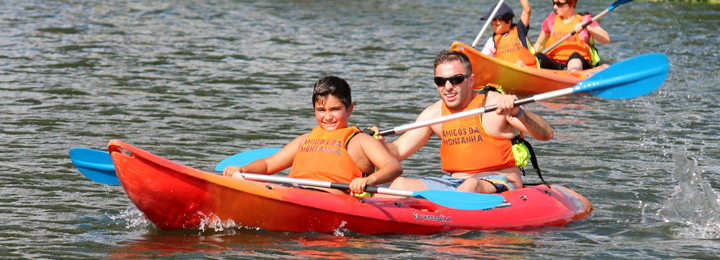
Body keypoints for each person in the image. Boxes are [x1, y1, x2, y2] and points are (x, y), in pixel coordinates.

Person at [374, 50, 554, 194]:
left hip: (499, 183)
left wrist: (519, 112)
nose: (448, 87)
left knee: (470, 185)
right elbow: (397, 151)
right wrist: (375, 144)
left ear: (471, 80)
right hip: (453, 184)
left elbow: (546, 134)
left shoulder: (495, 104)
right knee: (400, 183)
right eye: (440, 81)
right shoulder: (434, 114)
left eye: (456, 79)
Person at [223, 76, 402, 195]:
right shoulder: (305, 139)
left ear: (349, 109)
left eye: (335, 109)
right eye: (321, 110)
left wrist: (370, 180)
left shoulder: (361, 140)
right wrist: (242, 170)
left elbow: (393, 167)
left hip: (329, 199)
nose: (328, 116)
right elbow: (268, 164)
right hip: (293, 191)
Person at [533, 0, 610, 71]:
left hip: (579, 65)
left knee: (575, 57)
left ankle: (571, 75)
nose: (555, 7)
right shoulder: (551, 20)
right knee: (539, 56)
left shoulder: (585, 20)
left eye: (559, 4)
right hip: (555, 65)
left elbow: (606, 39)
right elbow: (539, 44)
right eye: (554, 3)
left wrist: (587, 27)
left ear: (572, 3)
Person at [479, 0, 537, 67]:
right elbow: (482, 58)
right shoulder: (492, 40)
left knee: (520, 62)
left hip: (525, 69)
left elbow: (527, 10)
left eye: (497, 25)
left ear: (509, 23)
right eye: (492, 24)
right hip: (505, 71)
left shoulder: (520, 30)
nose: (493, 28)